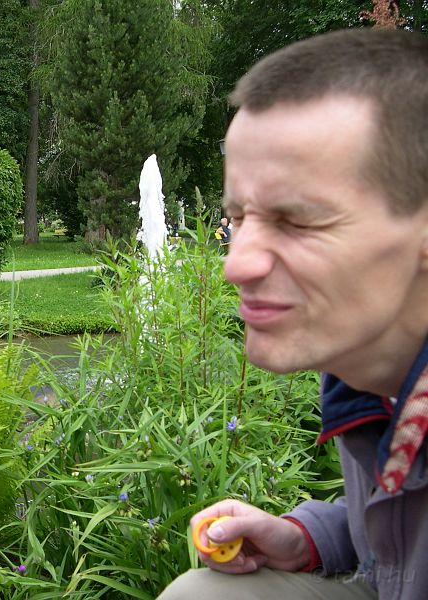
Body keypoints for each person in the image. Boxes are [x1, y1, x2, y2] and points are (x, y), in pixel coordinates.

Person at [160, 27, 428, 600]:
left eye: (297, 220)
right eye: (238, 218)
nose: (236, 264)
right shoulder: (367, 371)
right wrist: (310, 539)